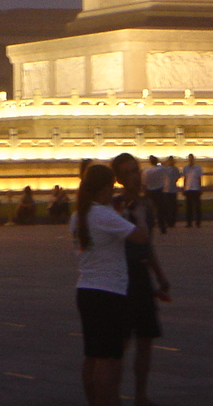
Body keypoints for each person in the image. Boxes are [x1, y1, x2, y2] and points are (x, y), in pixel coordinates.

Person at [71, 163, 149, 406]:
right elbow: (140, 237)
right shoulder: (102, 215)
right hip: (109, 292)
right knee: (109, 358)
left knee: (92, 355)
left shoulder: (78, 215)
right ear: (105, 188)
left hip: (86, 289)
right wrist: (140, 217)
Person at [111, 153, 171, 406]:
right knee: (122, 342)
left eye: (136, 170)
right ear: (119, 179)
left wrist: (160, 276)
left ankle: (140, 396)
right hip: (121, 275)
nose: (135, 177)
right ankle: (113, 396)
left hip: (141, 274)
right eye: (128, 173)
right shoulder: (114, 207)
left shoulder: (146, 205)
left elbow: (148, 244)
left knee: (145, 340)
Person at [142, 156, 169, 234]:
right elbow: (166, 166)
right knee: (161, 210)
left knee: (149, 211)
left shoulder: (146, 170)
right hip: (159, 191)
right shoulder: (161, 169)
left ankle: (149, 227)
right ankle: (162, 227)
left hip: (149, 191)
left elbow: (144, 182)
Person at [181, 154, 203, 228]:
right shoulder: (186, 168)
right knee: (189, 207)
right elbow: (185, 179)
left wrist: (200, 187)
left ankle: (198, 222)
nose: (190, 160)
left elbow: (199, 178)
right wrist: (184, 187)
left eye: (191, 159)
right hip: (188, 189)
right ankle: (189, 222)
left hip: (196, 188)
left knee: (197, 207)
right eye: (189, 159)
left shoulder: (198, 168)